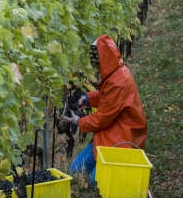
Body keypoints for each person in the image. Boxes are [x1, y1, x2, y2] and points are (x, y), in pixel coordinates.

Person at [62, 34, 147, 186]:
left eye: (96, 63)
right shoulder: (116, 73)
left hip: (122, 136)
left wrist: (78, 121)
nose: (95, 67)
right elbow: (108, 98)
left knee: (96, 180)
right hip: (111, 131)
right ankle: (105, 165)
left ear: (103, 60)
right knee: (76, 170)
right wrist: (89, 99)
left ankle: (119, 167)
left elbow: (102, 118)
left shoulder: (118, 82)